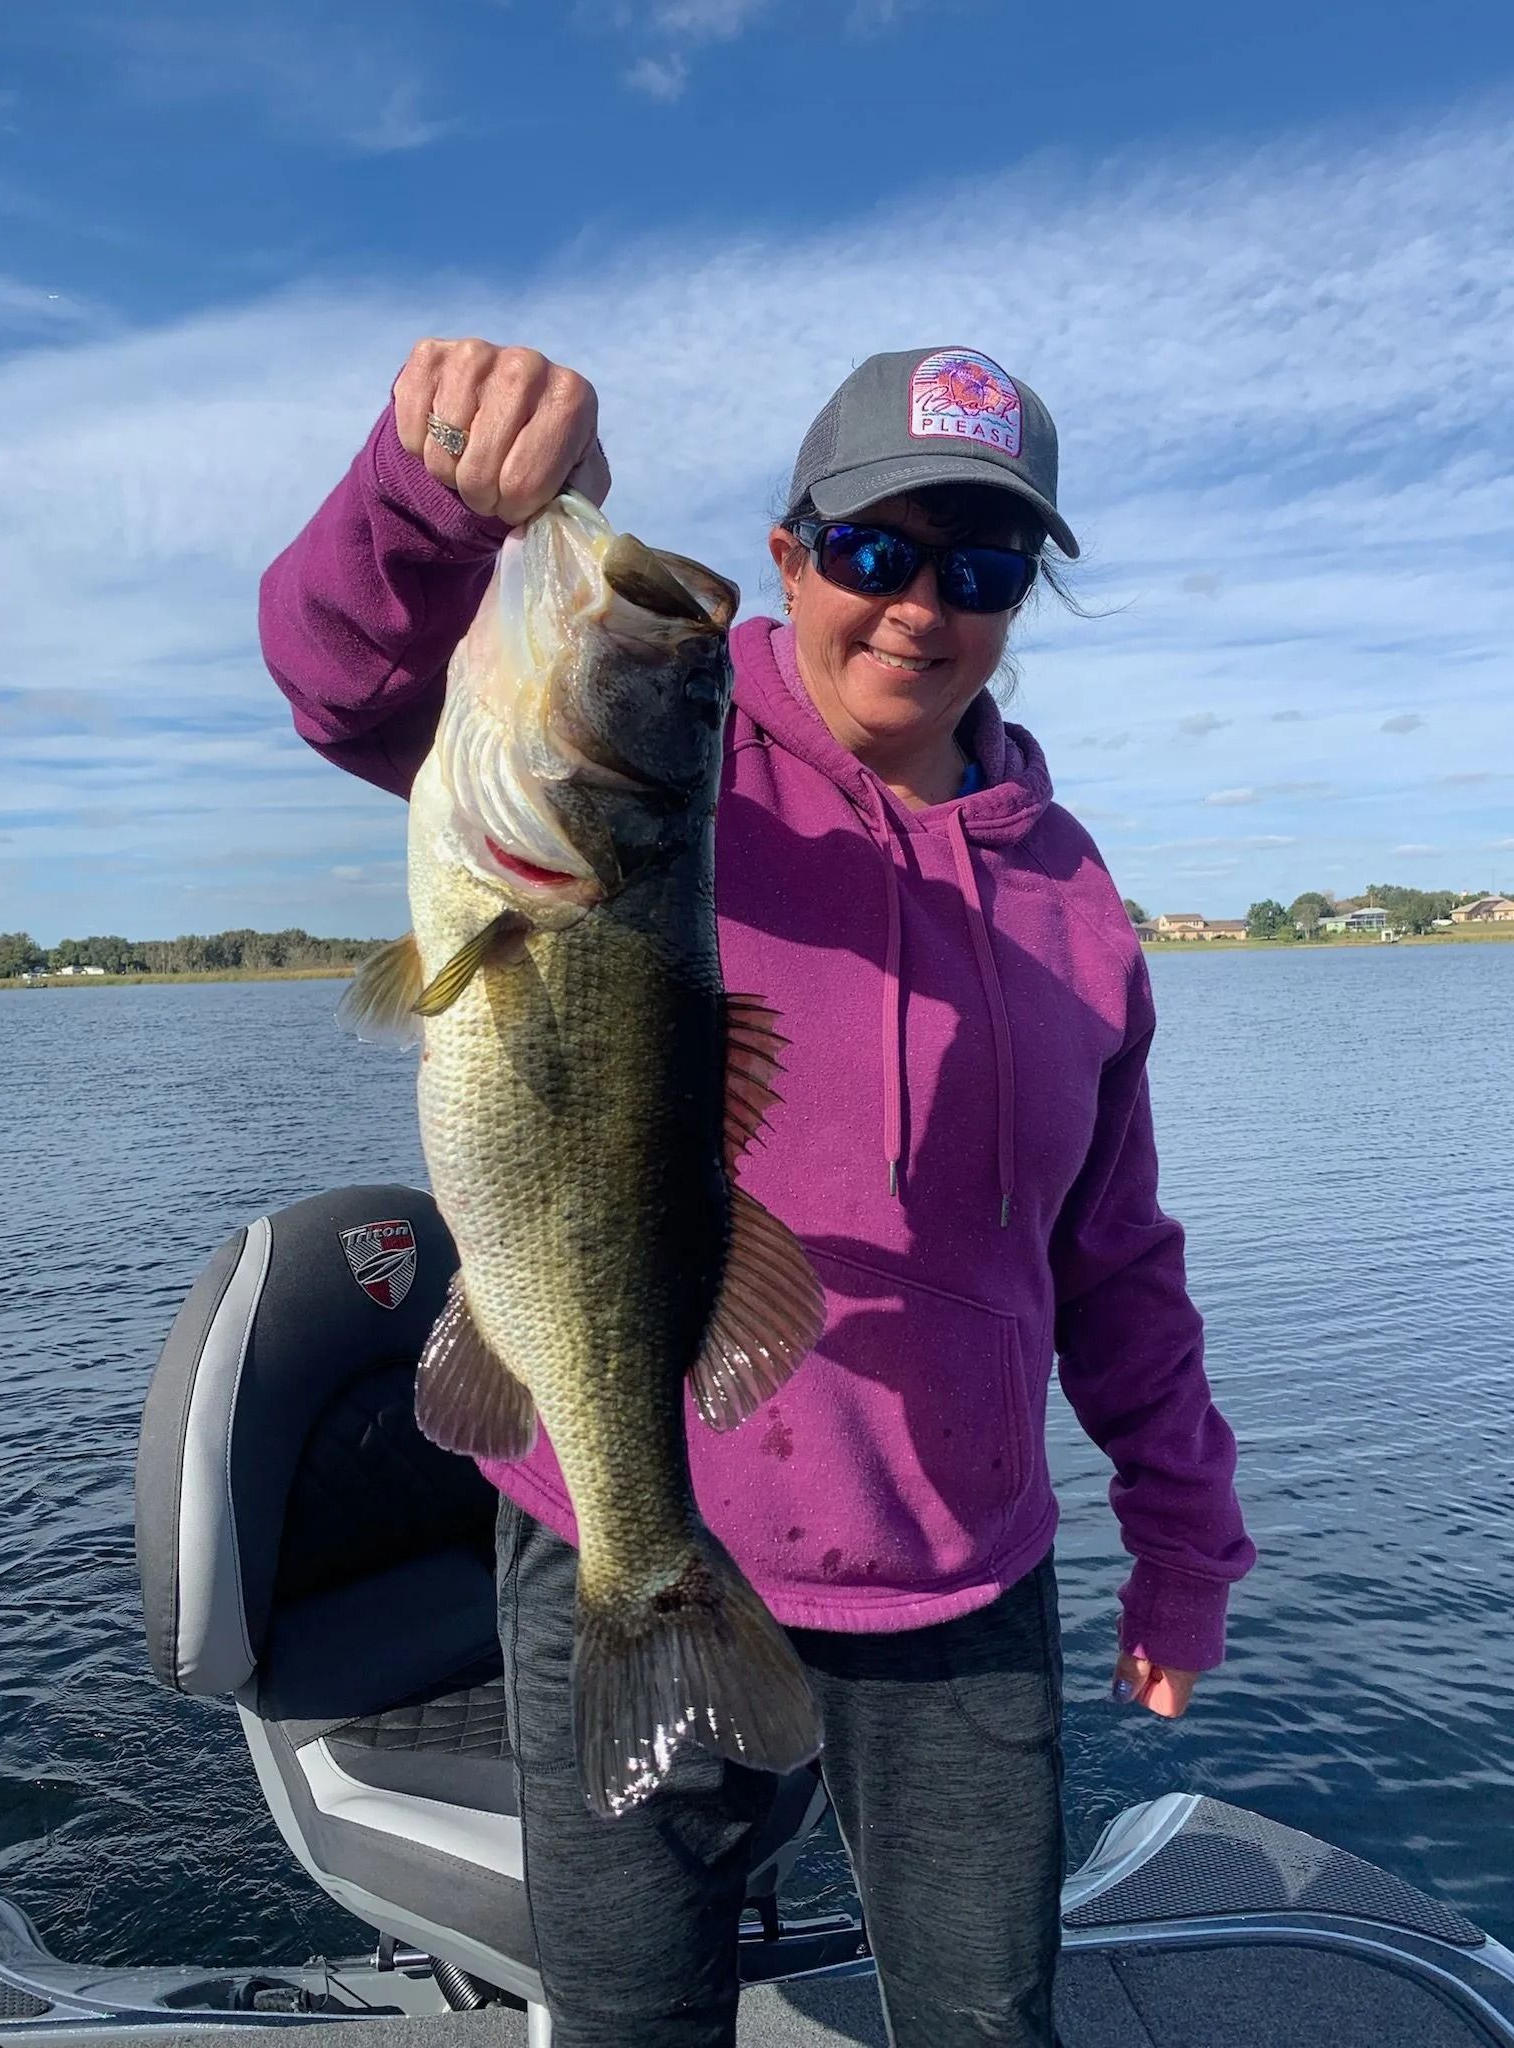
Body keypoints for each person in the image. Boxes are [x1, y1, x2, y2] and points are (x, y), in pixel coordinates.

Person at [259, 337, 1256, 2048]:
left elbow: (1117, 1260)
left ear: (1020, 603)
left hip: (957, 1578)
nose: (921, 608)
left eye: (983, 568)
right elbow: (345, 678)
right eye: (874, 551)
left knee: (988, 2022)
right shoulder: (662, 743)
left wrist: (1181, 1545)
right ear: (790, 556)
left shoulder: (1075, 896)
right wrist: (436, 491)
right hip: (624, 1520)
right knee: (633, 2022)